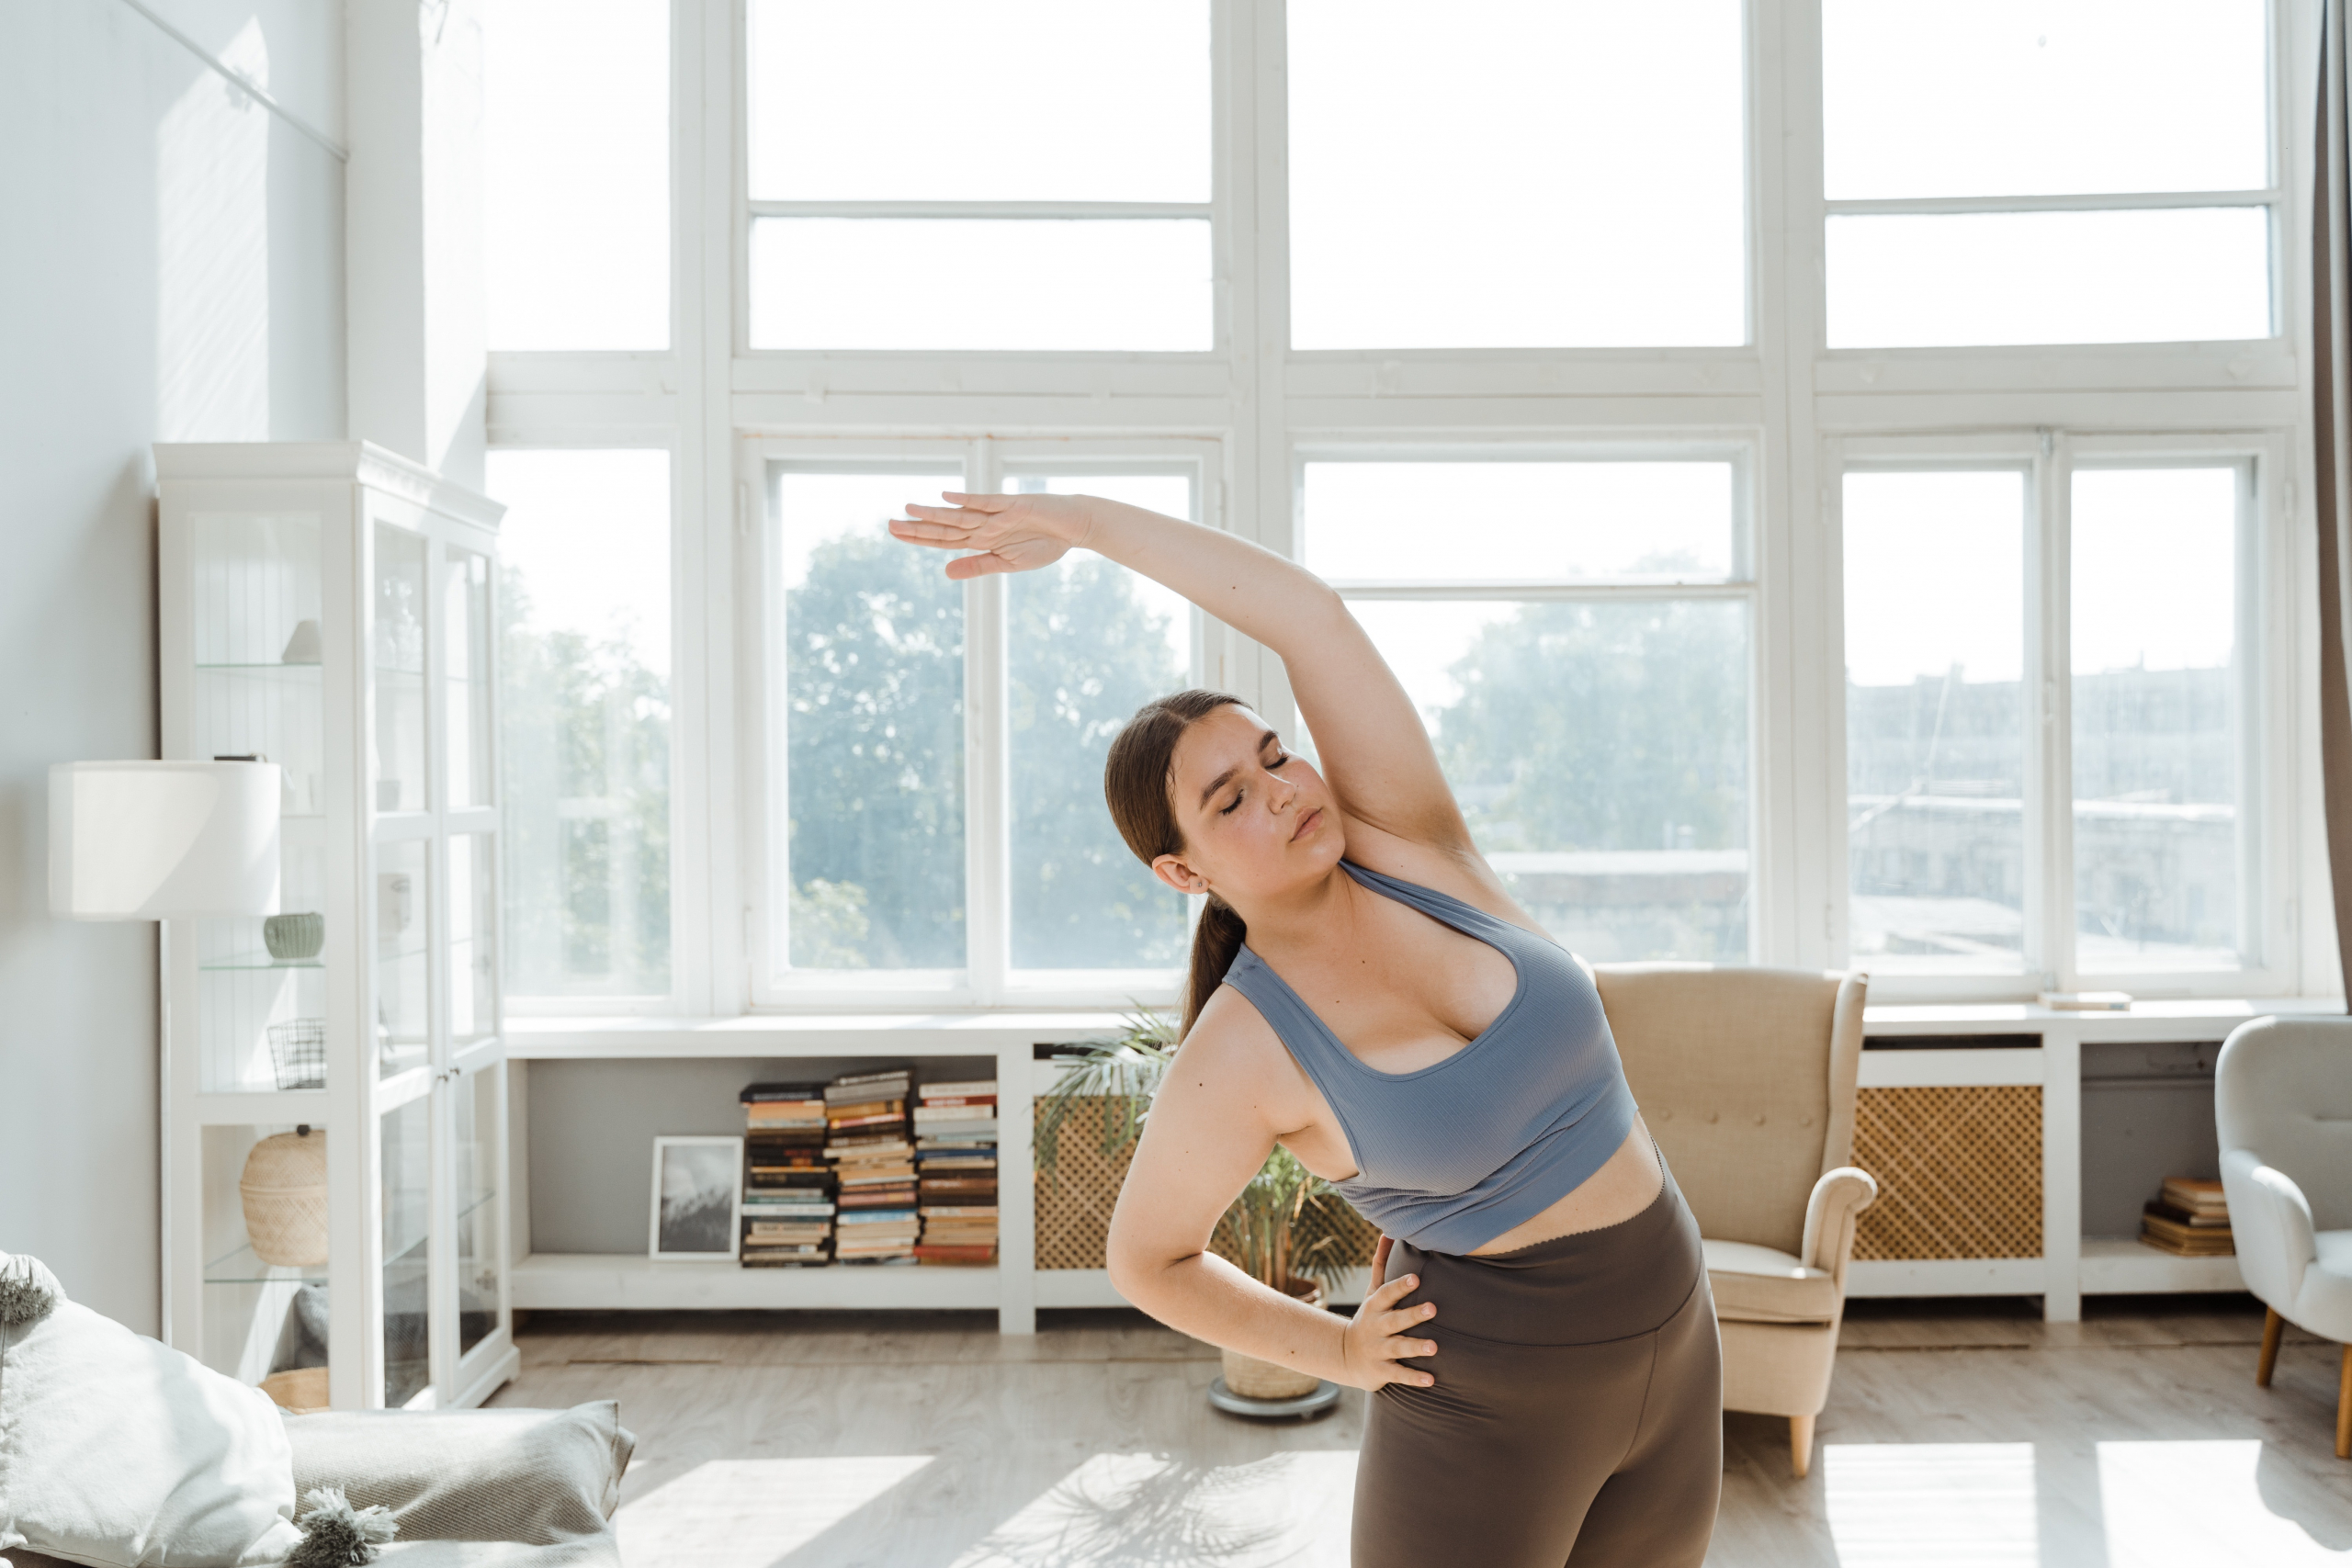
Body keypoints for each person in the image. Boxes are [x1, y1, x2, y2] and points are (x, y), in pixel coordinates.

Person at [888, 489, 1721, 1567]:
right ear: (1183, 872)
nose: (1280, 793)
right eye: (1229, 801)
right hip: (1488, 1403)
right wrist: (1338, 1348)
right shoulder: (1242, 1049)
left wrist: (1084, 525)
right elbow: (1147, 1260)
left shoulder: (1411, 847)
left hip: (1680, 1335)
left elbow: (1307, 617)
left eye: (1274, 757)